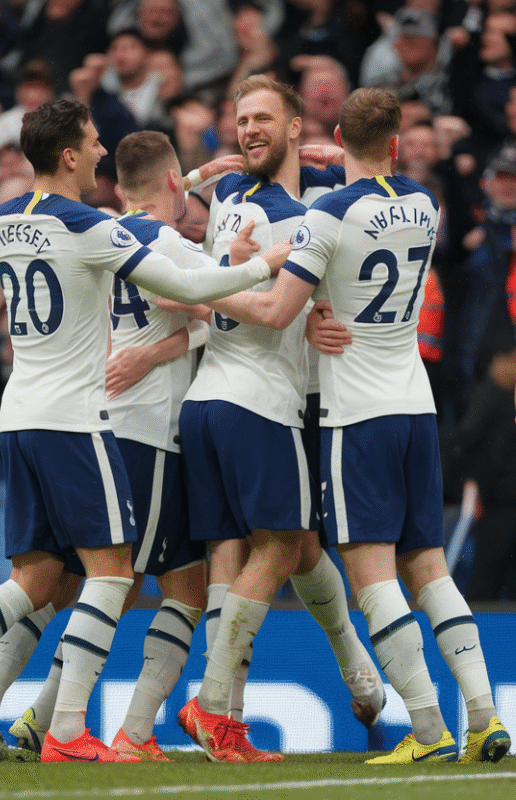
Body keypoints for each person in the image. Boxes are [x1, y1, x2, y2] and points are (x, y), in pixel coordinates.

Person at [0, 97, 285, 764]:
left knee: (36, 582)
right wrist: (269, 263)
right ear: (68, 155)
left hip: (19, 421)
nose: (101, 152)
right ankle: (65, 731)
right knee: (111, 574)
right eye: (93, 142)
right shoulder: (91, 228)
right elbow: (196, 285)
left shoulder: (5, 218)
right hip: (78, 420)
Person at [198, 86, 511, 765]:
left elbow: (280, 311)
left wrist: (211, 295)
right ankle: (484, 714)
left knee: (373, 577)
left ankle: (427, 730)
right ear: (398, 142)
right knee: (430, 566)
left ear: (335, 135)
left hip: (354, 413)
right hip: (415, 404)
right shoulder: (426, 205)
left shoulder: (327, 215)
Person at [0, 135, 240, 764]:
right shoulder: (170, 246)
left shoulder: (96, 230)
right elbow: (217, 308)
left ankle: (2, 713)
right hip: (148, 431)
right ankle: (113, 731)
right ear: (173, 185)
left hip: (90, 420)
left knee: (66, 583)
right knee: (160, 589)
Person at [175, 75, 384, 763]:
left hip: (204, 401)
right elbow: (279, 304)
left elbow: (175, 187)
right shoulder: (302, 218)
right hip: (260, 402)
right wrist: (303, 308)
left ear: (296, 127)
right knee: (286, 546)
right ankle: (212, 707)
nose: (247, 130)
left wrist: (213, 173)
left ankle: (226, 718)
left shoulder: (228, 197)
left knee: (241, 554)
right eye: (240, 121)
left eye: (263, 118)